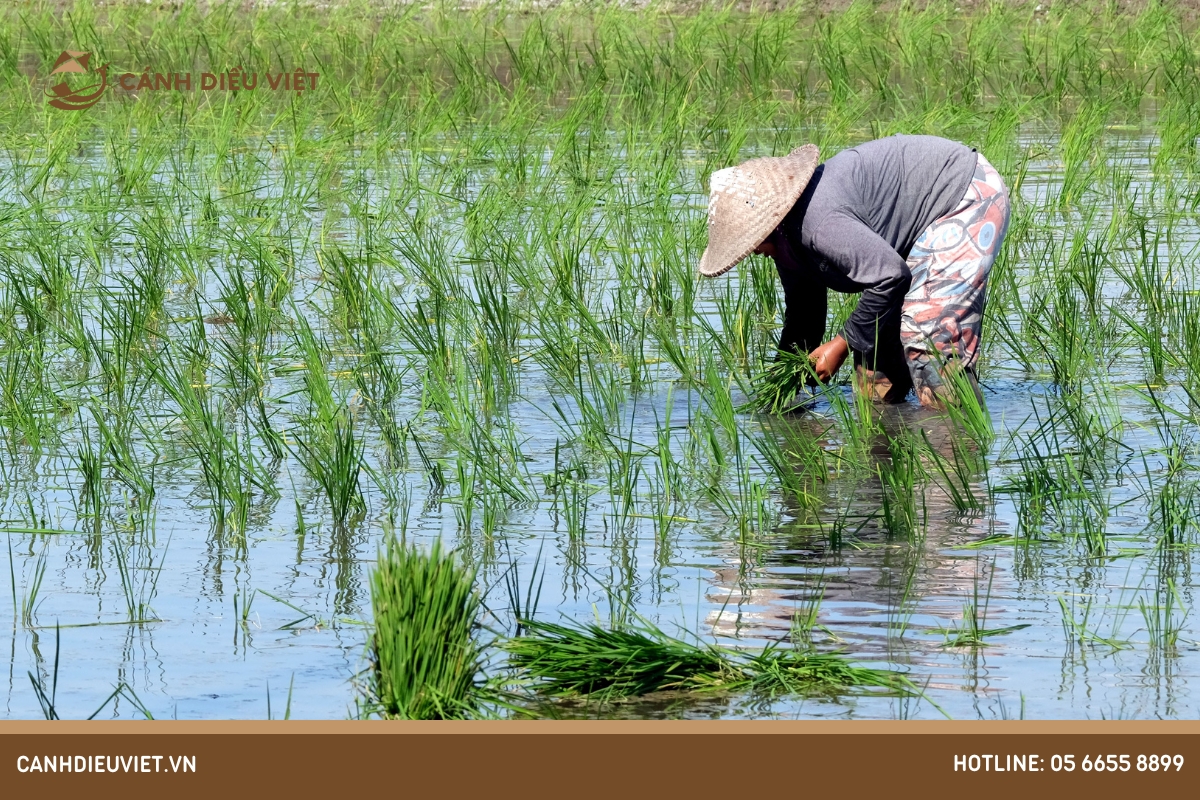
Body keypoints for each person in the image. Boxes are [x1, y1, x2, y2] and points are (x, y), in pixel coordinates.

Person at [697, 134, 1011, 408]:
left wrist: (841, 344)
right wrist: (785, 383)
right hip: (913, 233)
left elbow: (890, 276)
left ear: (768, 223)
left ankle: (956, 453)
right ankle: (886, 460)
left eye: (749, 241)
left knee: (927, 337)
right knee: (872, 365)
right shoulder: (786, 239)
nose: (751, 250)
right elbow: (804, 315)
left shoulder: (817, 222)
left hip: (962, 195)